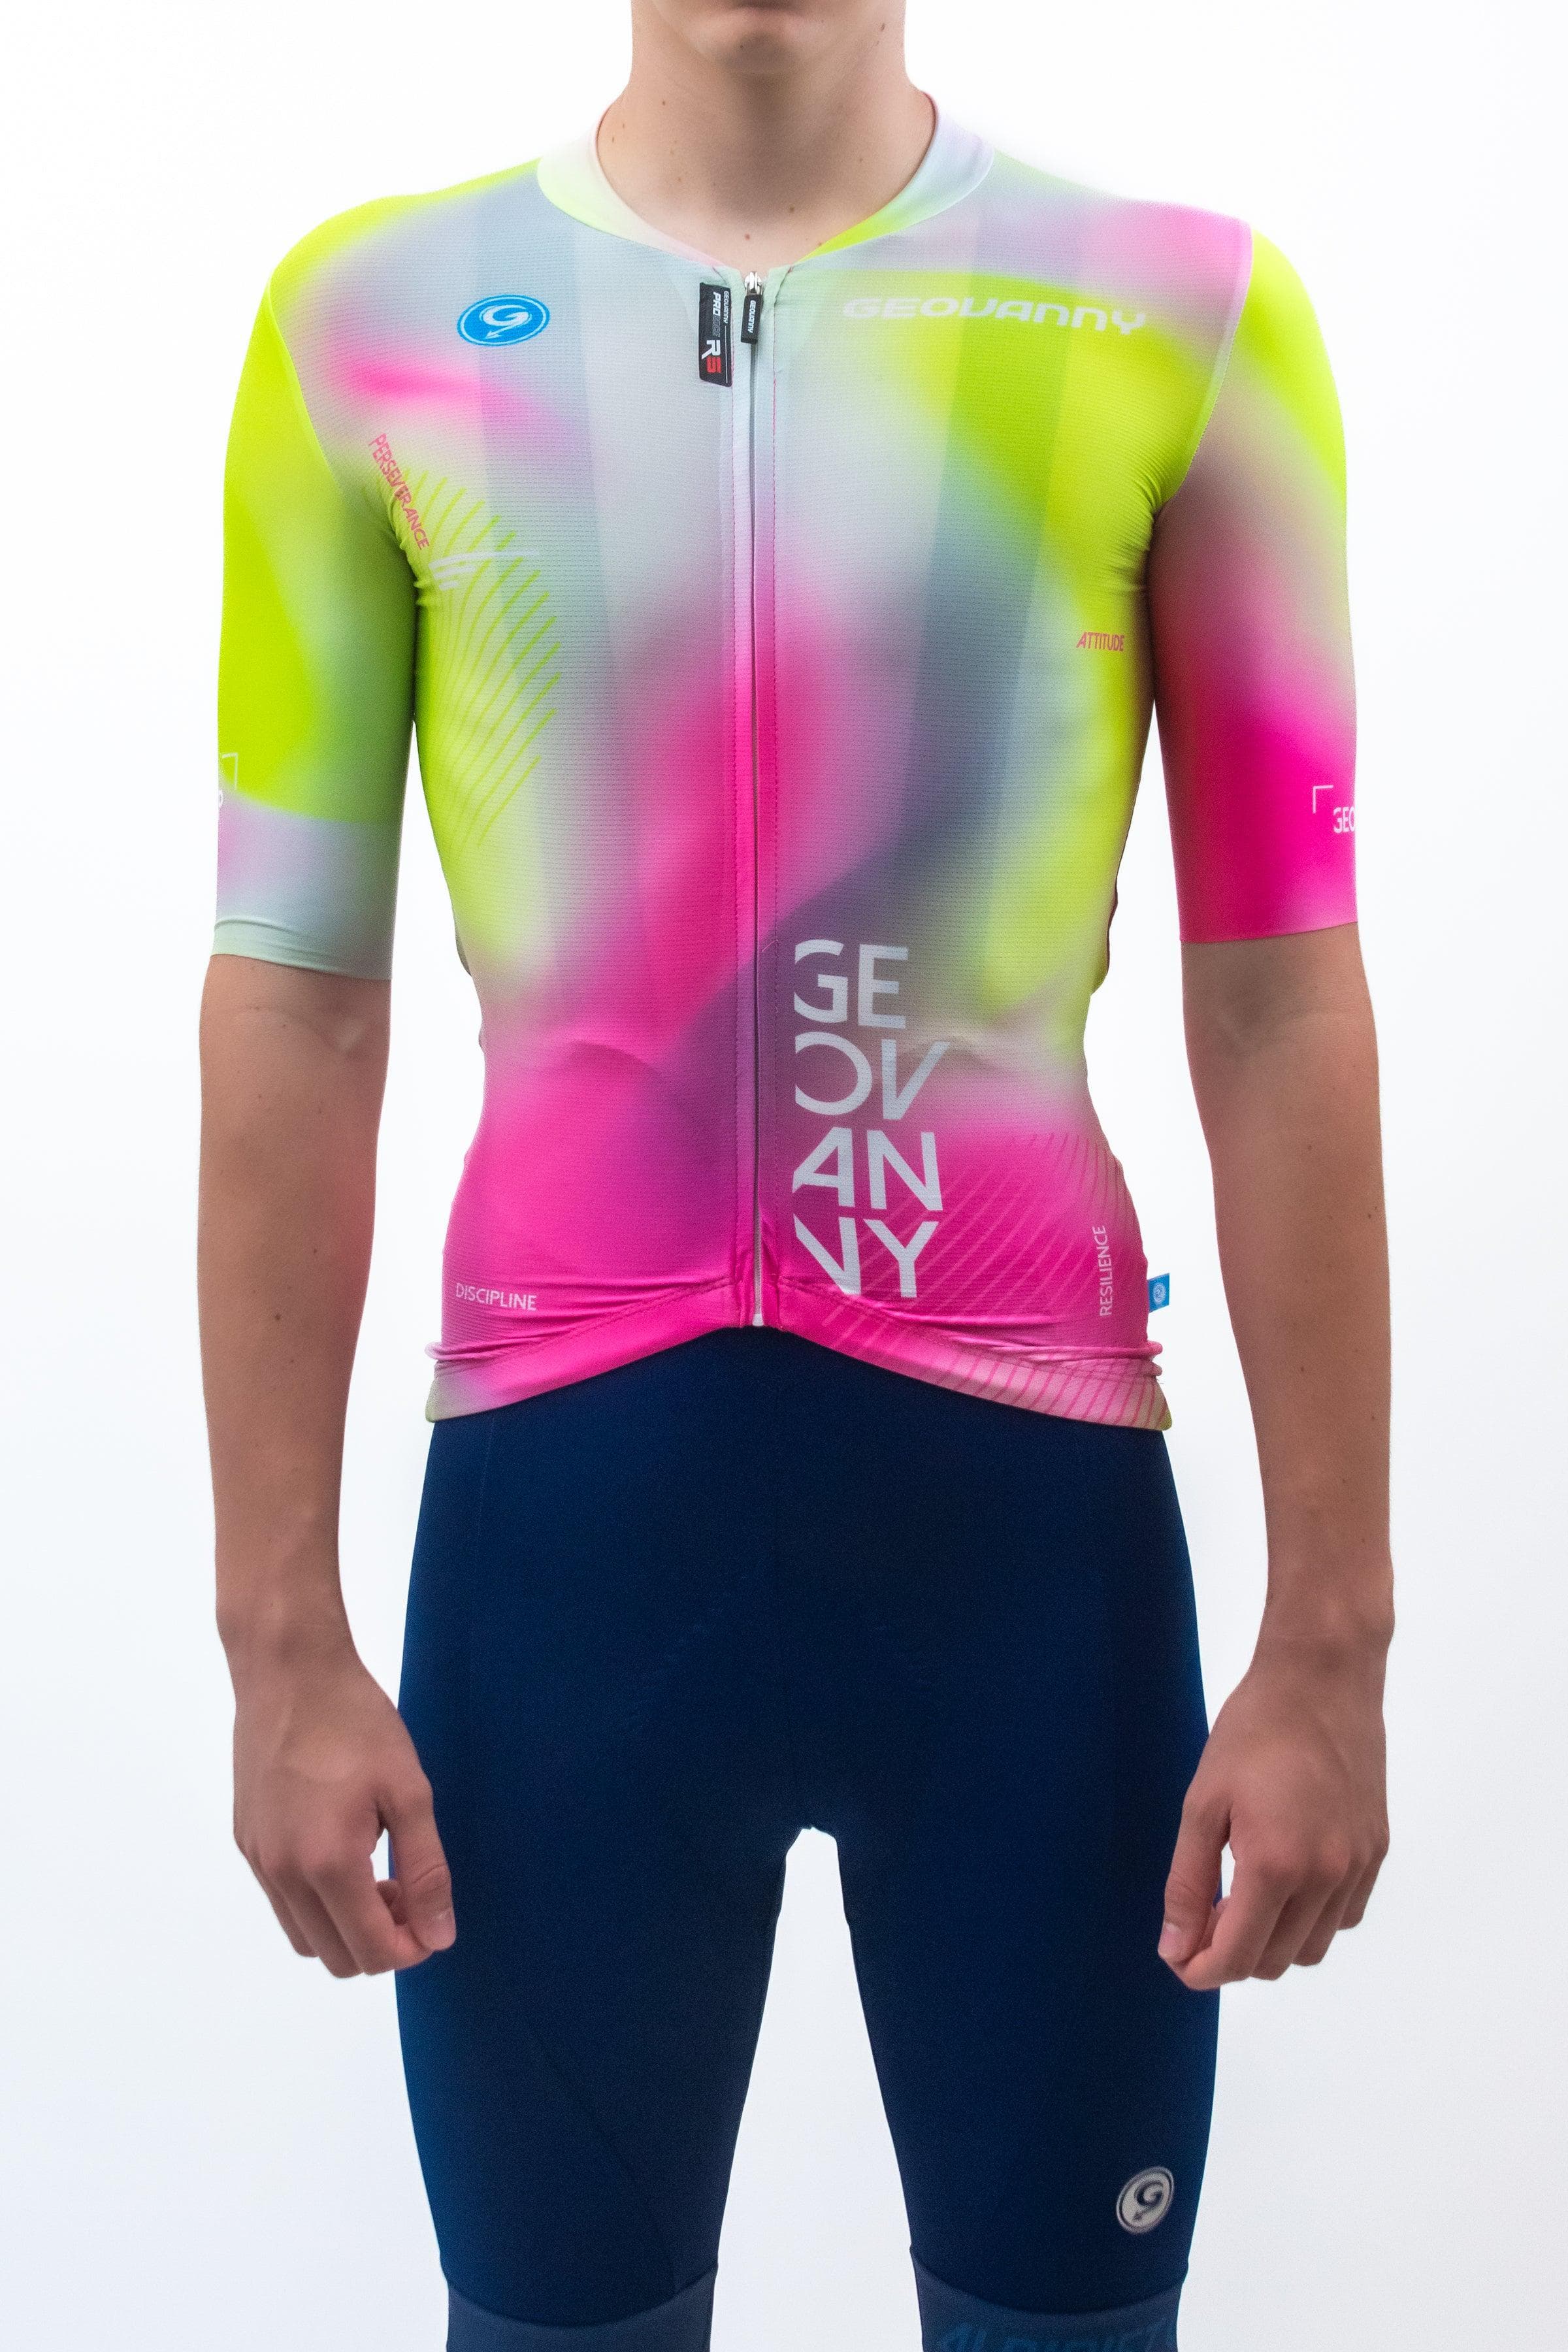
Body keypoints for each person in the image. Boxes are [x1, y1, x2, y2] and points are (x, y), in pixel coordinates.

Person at [199, 3, 1393, 2346]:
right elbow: (294, 1000)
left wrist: (1335, 1642)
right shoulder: (369, 324)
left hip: (1029, 1570)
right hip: (562, 1566)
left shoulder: (1181, 315)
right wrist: (276, 1641)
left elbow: (1280, 1001)